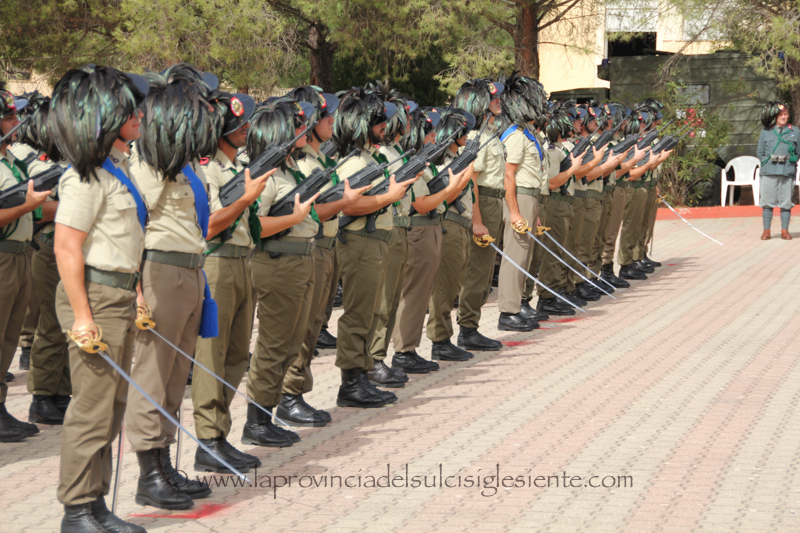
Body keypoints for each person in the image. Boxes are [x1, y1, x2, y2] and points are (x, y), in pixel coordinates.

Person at [49, 64, 148, 532]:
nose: (139, 116)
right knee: (91, 409)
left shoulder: (117, 168)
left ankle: (95, 505)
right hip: (95, 298)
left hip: (118, 294)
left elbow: (128, 245)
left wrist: (139, 293)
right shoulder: (84, 177)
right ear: (107, 117)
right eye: (130, 111)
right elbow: (66, 246)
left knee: (112, 408)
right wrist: (82, 316)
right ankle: (77, 510)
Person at [124, 65, 219, 509]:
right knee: (153, 375)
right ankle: (148, 474)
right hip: (160, 272)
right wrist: (137, 292)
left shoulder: (180, 167)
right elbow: (133, 226)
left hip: (190, 272)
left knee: (176, 377)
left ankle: (163, 465)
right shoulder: (145, 164)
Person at [192, 90, 273, 463]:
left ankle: (218, 430)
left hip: (242, 261)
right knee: (213, 354)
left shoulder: (238, 166)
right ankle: (208, 438)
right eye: (236, 124)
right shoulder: (208, 169)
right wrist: (244, 199)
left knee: (238, 354)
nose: (245, 128)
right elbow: (208, 227)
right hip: (218, 263)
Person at [280, 87, 368, 424]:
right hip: (312, 247)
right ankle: (290, 395)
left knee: (315, 324)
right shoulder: (303, 163)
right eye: (324, 116)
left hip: (327, 247)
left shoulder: (319, 160)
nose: (331, 120)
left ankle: (297, 392)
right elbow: (312, 212)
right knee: (303, 328)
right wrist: (347, 201)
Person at [241, 97, 320, 445]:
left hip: (299, 260)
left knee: (291, 343)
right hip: (277, 263)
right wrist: (295, 218)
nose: (304, 131)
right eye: (296, 127)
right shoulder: (267, 175)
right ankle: (256, 421)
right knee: (274, 345)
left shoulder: (290, 170)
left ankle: (269, 413)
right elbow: (254, 225)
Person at [332, 88, 416, 408]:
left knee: (368, 313)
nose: (385, 126)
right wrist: (388, 197)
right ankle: (351, 383)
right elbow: (348, 205)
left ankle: (362, 373)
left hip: (374, 241)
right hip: (359, 242)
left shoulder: (368, 158)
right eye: (378, 121)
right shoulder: (354, 162)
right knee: (358, 315)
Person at [8, 92, 72, 425]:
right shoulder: (28, 159)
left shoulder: (62, 160)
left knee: (65, 325)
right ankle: (43, 396)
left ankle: (61, 393)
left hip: (65, 246)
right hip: (47, 246)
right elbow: (37, 208)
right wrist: (75, 207)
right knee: (50, 323)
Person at [390, 108, 469, 373]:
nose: (434, 135)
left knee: (420, 294)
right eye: (429, 131)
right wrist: (452, 187)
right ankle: (403, 351)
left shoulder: (425, 162)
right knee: (413, 294)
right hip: (419, 230)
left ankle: (408, 348)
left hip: (430, 229)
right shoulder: (412, 164)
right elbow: (421, 204)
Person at [0, 87, 47, 443]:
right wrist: (28, 206)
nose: (16, 122)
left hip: (18, 255)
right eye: (9, 117)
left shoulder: (11, 161)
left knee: (8, 338)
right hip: (3, 256)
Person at [364, 83, 416, 386]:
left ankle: (379, 356)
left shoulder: (394, 151)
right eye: (402, 117)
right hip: (389, 226)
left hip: (400, 225)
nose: (408, 122)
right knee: (384, 299)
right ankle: (373, 358)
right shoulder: (382, 153)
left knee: (393, 296)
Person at [453, 79, 509, 350]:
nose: (499, 101)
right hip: (482, 203)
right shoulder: (476, 137)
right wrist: (477, 220)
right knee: (477, 270)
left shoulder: (489, 134)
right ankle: (467, 329)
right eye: (492, 98)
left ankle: (471, 325)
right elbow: (472, 180)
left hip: (494, 201)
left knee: (485, 271)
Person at [496, 72, 549, 331]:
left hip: (530, 197)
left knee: (524, 257)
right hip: (520, 197)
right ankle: (508, 311)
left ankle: (518, 304)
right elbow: (509, 175)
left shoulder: (526, 132)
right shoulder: (516, 135)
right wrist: (515, 212)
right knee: (515, 256)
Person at [425, 108, 478, 361]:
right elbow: (446, 197)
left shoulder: (458, 157)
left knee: (454, 283)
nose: (467, 135)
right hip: (450, 225)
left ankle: (445, 336)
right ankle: (439, 339)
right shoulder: (443, 161)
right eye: (463, 131)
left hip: (462, 225)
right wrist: (465, 175)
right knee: (444, 287)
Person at [757, 101, 798, 240]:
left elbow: (798, 152)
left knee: (786, 203)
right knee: (767, 202)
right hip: (769, 171)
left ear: (788, 116)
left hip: (787, 171)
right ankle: (766, 231)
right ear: (775, 116)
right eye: (780, 114)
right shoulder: (766, 132)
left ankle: (785, 231)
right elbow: (760, 152)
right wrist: (766, 162)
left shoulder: (795, 131)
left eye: (785, 114)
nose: (783, 117)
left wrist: (793, 160)